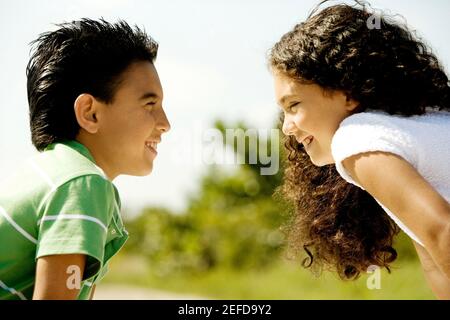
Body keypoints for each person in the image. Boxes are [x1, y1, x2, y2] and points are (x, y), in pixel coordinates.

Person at [269, 2, 450, 299]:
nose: (287, 126)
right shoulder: (424, 121)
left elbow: (443, 231)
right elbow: (434, 260)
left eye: (294, 105)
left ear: (348, 94)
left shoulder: (356, 138)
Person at [0, 19, 170, 300]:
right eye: (150, 104)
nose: (165, 123)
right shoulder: (81, 183)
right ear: (90, 113)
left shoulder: (50, 171)